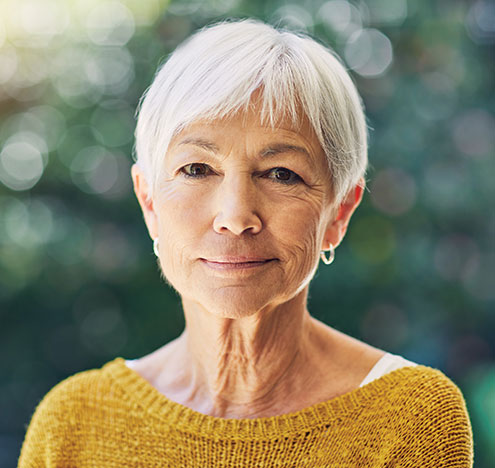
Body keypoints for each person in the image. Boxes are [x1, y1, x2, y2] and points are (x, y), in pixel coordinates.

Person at [18, 19, 473, 467]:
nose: (236, 216)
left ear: (338, 213)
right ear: (149, 202)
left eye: (281, 174)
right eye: (197, 169)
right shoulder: (72, 424)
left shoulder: (410, 419)